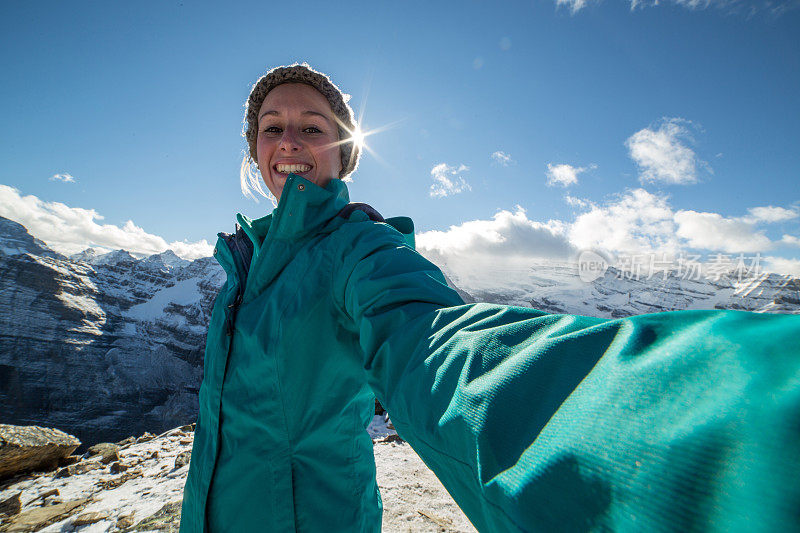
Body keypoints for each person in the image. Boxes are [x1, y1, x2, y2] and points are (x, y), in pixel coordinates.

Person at [180, 64, 800, 532]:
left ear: (343, 154)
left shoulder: (358, 249)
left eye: (311, 129)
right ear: (254, 149)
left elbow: (427, 335)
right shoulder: (247, 260)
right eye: (272, 129)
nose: (289, 141)